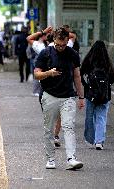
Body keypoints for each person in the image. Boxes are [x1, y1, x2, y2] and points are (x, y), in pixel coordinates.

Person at [34, 27, 85, 170]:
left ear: (67, 40)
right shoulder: (45, 53)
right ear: (54, 40)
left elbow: (77, 76)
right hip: (49, 95)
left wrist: (81, 96)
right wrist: (48, 73)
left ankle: (71, 158)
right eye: (58, 44)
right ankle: (50, 159)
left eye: (63, 44)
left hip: (68, 96)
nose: (61, 47)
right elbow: (36, 74)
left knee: (69, 126)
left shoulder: (73, 54)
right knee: (49, 129)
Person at [80, 40, 114, 150]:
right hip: (105, 96)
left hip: (91, 94)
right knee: (101, 117)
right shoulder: (107, 63)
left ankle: (90, 140)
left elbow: (80, 74)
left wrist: (86, 86)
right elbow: (112, 79)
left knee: (90, 117)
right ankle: (99, 141)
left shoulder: (89, 61)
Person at [27, 26, 52, 96]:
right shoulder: (41, 46)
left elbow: (29, 38)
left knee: (39, 77)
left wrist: (43, 32)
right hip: (39, 63)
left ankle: (37, 91)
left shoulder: (41, 46)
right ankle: (36, 91)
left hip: (39, 63)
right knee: (39, 78)